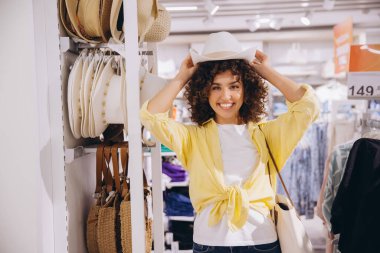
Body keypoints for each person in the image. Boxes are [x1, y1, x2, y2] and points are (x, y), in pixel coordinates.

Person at [140, 31, 320, 253]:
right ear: (204, 92)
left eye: (234, 86)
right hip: (209, 244)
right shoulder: (192, 138)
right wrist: (181, 78)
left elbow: (308, 106)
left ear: (247, 90)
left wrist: (267, 72)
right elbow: (151, 116)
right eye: (216, 87)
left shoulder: (268, 134)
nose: (225, 96)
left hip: (261, 243)